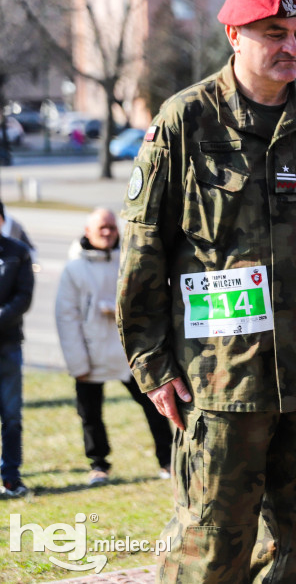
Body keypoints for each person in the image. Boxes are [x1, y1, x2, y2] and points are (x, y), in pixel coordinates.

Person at [116, 0, 296, 581]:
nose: (291, 46)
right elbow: (143, 253)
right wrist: (152, 365)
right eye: (275, 33)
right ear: (235, 35)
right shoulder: (186, 123)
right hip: (219, 386)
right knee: (210, 551)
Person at [56, 208, 172, 486]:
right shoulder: (74, 269)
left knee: (155, 406)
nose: (107, 233)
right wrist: (77, 363)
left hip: (129, 355)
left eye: (111, 227)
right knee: (90, 415)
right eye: (101, 228)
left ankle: (168, 459)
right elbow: (66, 317)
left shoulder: (128, 259)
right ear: (87, 232)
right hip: (91, 353)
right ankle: (99, 464)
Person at [0, 201, 34, 499]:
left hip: (8, 344)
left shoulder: (16, 252)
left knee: (11, 416)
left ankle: (11, 477)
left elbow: (23, 297)